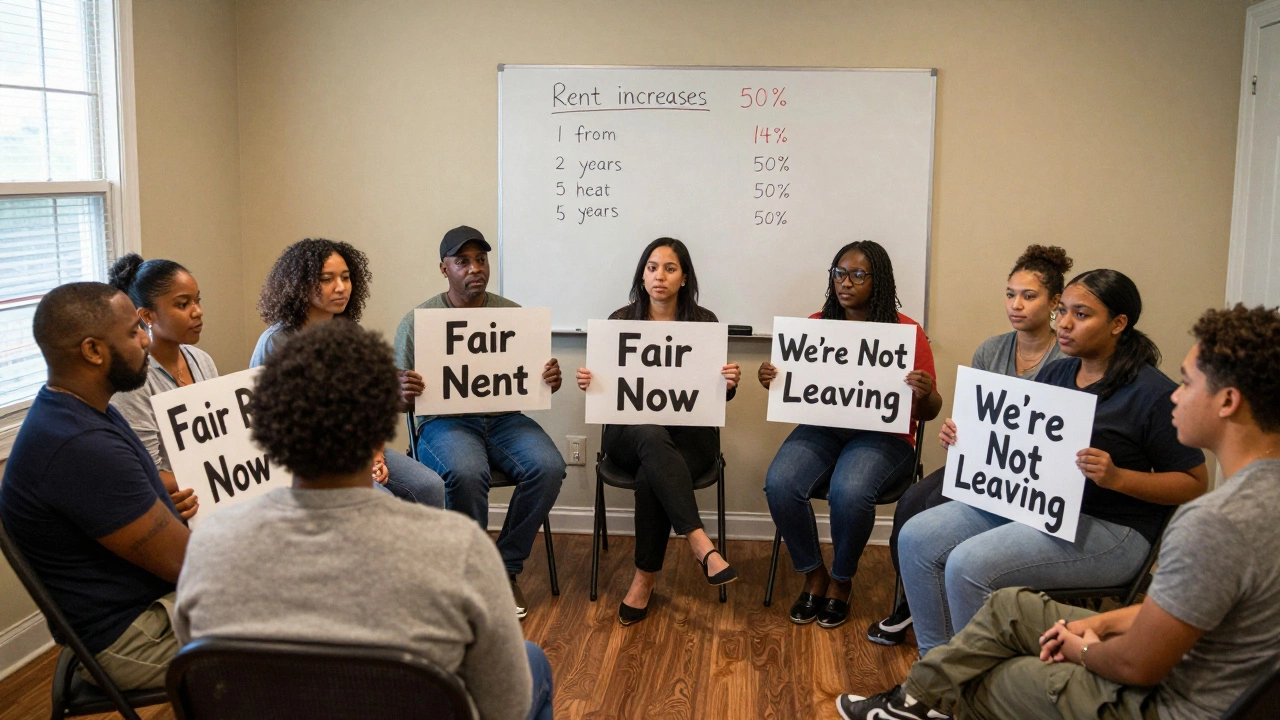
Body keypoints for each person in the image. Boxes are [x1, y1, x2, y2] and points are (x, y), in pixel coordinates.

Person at [836, 304, 1280, 720]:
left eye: (1187, 383)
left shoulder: (1212, 522)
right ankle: (924, 692)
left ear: (1227, 401)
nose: (1176, 397)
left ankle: (933, 698)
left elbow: (1138, 663)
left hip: (1171, 697)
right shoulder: (1259, 494)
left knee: (982, 678)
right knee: (1009, 607)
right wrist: (1102, 623)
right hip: (1173, 647)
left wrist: (1080, 648)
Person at [175, 321, 554, 720]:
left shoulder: (208, 542)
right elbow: (506, 709)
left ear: (268, 431)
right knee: (533, 660)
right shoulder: (461, 549)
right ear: (379, 434)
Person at [897, 269, 1209, 660]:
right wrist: (967, 440)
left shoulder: (1152, 393)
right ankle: (936, 668)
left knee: (968, 564)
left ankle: (973, 685)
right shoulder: (1058, 372)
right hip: (1038, 505)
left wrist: (1118, 478)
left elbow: (1195, 482)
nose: (1063, 323)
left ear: (1118, 323)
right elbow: (1021, 439)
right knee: (916, 535)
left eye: (1081, 315)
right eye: (1062, 311)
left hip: (1114, 528)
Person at [870, 244, 1072, 646]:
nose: (1016, 304)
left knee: (935, 510)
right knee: (912, 504)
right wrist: (955, 434)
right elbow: (975, 418)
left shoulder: (1067, 359)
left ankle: (956, 608)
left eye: (1029, 296)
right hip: (983, 466)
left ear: (1054, 303)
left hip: (1032, 480)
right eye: (1011, 294)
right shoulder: (991, 349)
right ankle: (915, 602)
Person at [0, 283, 189, 690]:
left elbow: (140, 487)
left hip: (148, 603)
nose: (145, 339)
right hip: (130, 636)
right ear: (92, 351)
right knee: (301, 625)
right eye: (134, 331)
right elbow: (185, 563)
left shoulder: (78, 407)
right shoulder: (79, 446)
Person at [758, 240, 943, 629]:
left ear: (879, 281)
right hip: (824, 428)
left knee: (850, 490)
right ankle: (814, 574)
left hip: (884, 436)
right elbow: (797, 389)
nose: (846, 282)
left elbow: (929, 411)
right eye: (839, 273)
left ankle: (841, 580)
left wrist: (926, 393)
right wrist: (771, 380)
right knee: (779, 482)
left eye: (858, 275)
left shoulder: (906, 332)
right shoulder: (817, 325)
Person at [394, 225, 565, 619]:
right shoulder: (420, 321)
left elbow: (532, 382)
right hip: (446, 423)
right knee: (466, 472)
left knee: (550, 467)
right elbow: (395, 395)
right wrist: (403, 391)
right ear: (444, 269)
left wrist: (548, 380)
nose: (475, 268)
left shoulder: (512, 315)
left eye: (481, 259)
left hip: (505, 419)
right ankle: (470, 574)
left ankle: (502, 569)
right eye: (463, 261)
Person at [575, 238, 742, 625]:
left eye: (670, 268)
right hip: (628, 438)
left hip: (689, 439)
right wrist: (592, 381)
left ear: (684, 278)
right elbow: (611, 390)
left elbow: (713, 397)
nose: (659, 276)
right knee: (649, 434)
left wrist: (728, 384)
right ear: (642, 274)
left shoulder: (704, 324)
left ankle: (644, 579)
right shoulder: (619, 321)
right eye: (652, 267)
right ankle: (700, 543)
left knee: (655, 469)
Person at [253, 238, 444, 508]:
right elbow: (270, 424)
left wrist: (376, 454)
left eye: (346, 277)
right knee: (380, 500)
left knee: (430, 486)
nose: (341, 287)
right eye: (327, 279)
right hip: (305, 460)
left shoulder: (353, 334)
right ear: (300, 284)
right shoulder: (276, 342)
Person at [108, 254, 216, 522]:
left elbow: (220, 437)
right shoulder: (134, 382)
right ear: (146, 315)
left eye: (197, 300)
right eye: (183, 304)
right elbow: (146, 474)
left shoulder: (201, 360)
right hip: (180, 504)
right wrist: (212, 473)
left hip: (218, 487)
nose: (197, 311)